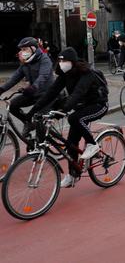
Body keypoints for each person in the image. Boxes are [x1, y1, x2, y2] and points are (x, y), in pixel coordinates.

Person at [29, 47, 108, 187]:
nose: (62, 63)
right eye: (60, 60)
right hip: (81, 107)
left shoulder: (86, 73)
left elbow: (77, 94)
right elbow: (50, 94)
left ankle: (93, 145)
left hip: (98, 105)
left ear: (72, 61)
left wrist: (63, 110)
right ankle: (73, 175)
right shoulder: (65, 75)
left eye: (64, 60)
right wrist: (33, 111)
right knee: (71, 143)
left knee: (75, 118)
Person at [0, 37, 54, 135]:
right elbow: (14, 78)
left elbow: (43, 76)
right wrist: (2, 89)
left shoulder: (44, 59)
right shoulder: (26, 62)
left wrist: (33, 87)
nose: (22, 52)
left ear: (33, 48)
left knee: (39, 121)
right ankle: (27, 122)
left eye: (25, 49)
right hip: (33, 93)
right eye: (21, 49)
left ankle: (41, 147)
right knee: (12, 105)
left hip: (46, 95)